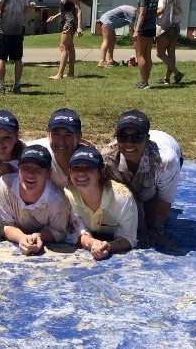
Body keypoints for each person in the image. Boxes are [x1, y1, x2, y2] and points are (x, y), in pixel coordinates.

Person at [101, 110, 182, 246]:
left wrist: (155, 231)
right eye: (123, 136)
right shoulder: (108, 158)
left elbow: (165, 200)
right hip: (130, 179)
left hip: (168, 144)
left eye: (137, 137)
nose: (129, 143)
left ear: (147, 138)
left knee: (151, 221)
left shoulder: (166, 161)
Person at [0, 144, 70, 255]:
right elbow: (2, 224)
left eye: (37, 169)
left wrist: (38, 237)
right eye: (25, 168)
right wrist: (21, 238)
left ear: (48, 173)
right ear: (18, 169)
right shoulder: (5, 185)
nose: (30, 174)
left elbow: (59, 231)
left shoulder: (57, 198)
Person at [65, 146, 138, 260]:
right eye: (76, 167)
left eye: (88, 167)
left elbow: (129, 238)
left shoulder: (122, 198)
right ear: (69, 172)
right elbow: (77, 233)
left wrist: (108, 246)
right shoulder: (68, 196)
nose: (81, 173)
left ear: (101, 172)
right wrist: (92, 243)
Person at [26, 108, 89, 189]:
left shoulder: (90, 161)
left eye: (68, 135)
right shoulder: (36, 151)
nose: (61, 141)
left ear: (79, 136)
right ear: (48, 134)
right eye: (56, 134)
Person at [0, 0, 32, 94]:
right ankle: (17, 86)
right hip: (18, 27)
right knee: (18, 58)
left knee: (1, 58)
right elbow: (28, 7)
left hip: (3, 28)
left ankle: (1, 86)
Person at [46, 0, 83, 80]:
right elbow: (65, 9)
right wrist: (54, 16)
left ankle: (60, 74)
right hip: (65, 20)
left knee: (63, 47)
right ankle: (71, 73)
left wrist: (79, 26)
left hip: (70, 22)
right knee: (70, 47)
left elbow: (78, 10)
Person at [155, 0, 184, 85]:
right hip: (176, 26)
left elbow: (160, 10)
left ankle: (177, 73)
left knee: (160, 53)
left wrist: (149, 14)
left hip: (165, 27)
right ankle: (167, 78)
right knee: (171, 53)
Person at [132, 0, 157, 89]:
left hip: (143, 28)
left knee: (140, 55)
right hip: (152, 27)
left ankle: (144, 82)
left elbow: (142, 14)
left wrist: (136, 30)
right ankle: (145, 80)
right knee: (147, 54)